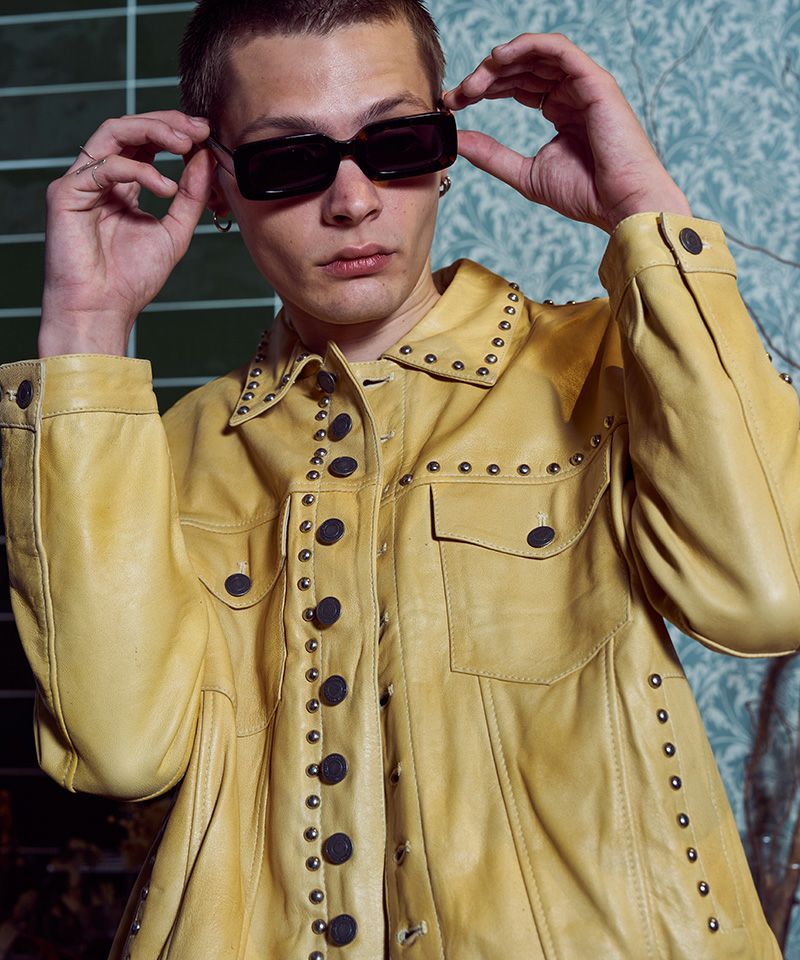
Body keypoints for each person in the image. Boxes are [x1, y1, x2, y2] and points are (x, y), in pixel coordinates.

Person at [1, 0, 797, 956]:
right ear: (217, 185)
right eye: (289, 161)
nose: (354, 202)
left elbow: (768, 596)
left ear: (445, 150)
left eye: (397, 144)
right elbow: (118, 750)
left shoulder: (616, 364)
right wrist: (86, 329)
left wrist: (647, 216)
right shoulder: (165, 452)